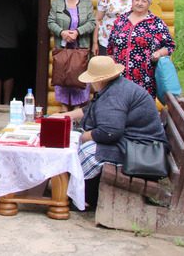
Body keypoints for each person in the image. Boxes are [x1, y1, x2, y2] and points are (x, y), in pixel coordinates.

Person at [57, 55, 167, 209]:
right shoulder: (116, 87)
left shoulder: (114, 94)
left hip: (142, 151)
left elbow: (109, 132)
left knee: (85, 150)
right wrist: (64, 116)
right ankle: (73, 191)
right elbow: (91, 110)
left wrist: (82, 137)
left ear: (99, 80)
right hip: (138, 145)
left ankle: (83, 198)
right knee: (77, 144)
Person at [106, 0, 175, 99]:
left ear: (149, 4)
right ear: (132, 1)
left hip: (144, 78)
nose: (139, 3)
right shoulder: (121, 20)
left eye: (144, 1)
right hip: (119, 76)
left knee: (141, 110)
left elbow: (169, 45)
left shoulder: (156, 23)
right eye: (137, 0)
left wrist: (159, 53)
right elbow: (110, 47)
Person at [47, 0, 96, 111]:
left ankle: (77, 109)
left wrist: (77, 32)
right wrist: (62, 32)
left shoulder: (86, 3)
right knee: (62, 76)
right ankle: (64, 108)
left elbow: (92, 23)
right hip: (62, 47)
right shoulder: (57, 2)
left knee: (79, 75)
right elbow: (50, 21)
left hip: (81, 47)